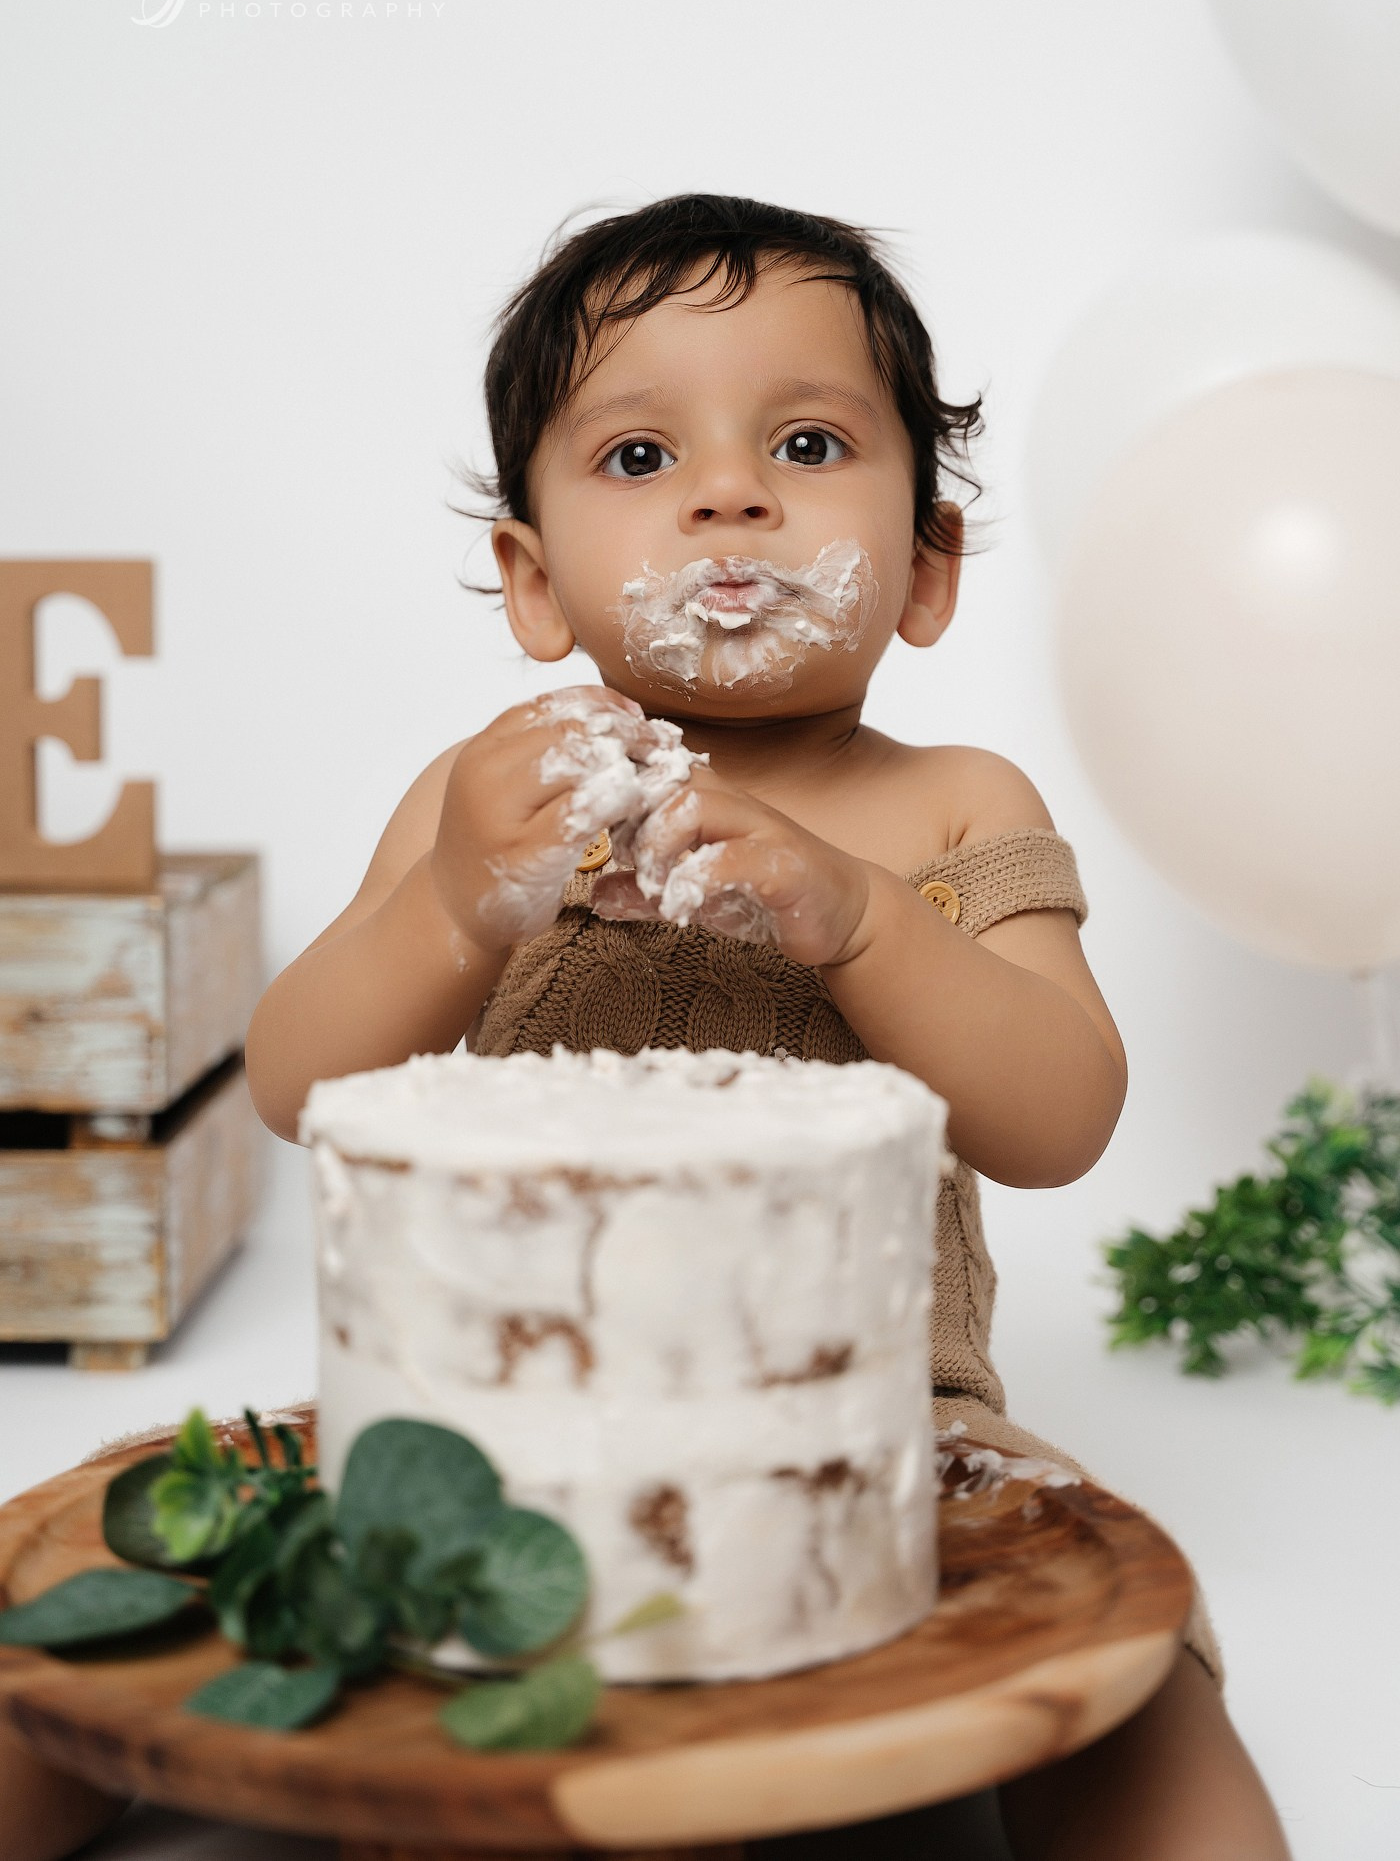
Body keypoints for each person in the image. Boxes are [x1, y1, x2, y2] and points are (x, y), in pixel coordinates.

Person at [243, 193, 1289, 1860]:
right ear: (529, 577)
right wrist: (451, 910)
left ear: (930, 565)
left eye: (806, 440)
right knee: (178, 1592)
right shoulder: (486, 806)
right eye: (641, 460)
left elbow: (1064, 1114)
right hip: (503, 1421)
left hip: (886, 1425)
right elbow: (296, 1084)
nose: (731, 492)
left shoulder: (951, 811)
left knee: (1113, 1653)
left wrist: (863, 919)